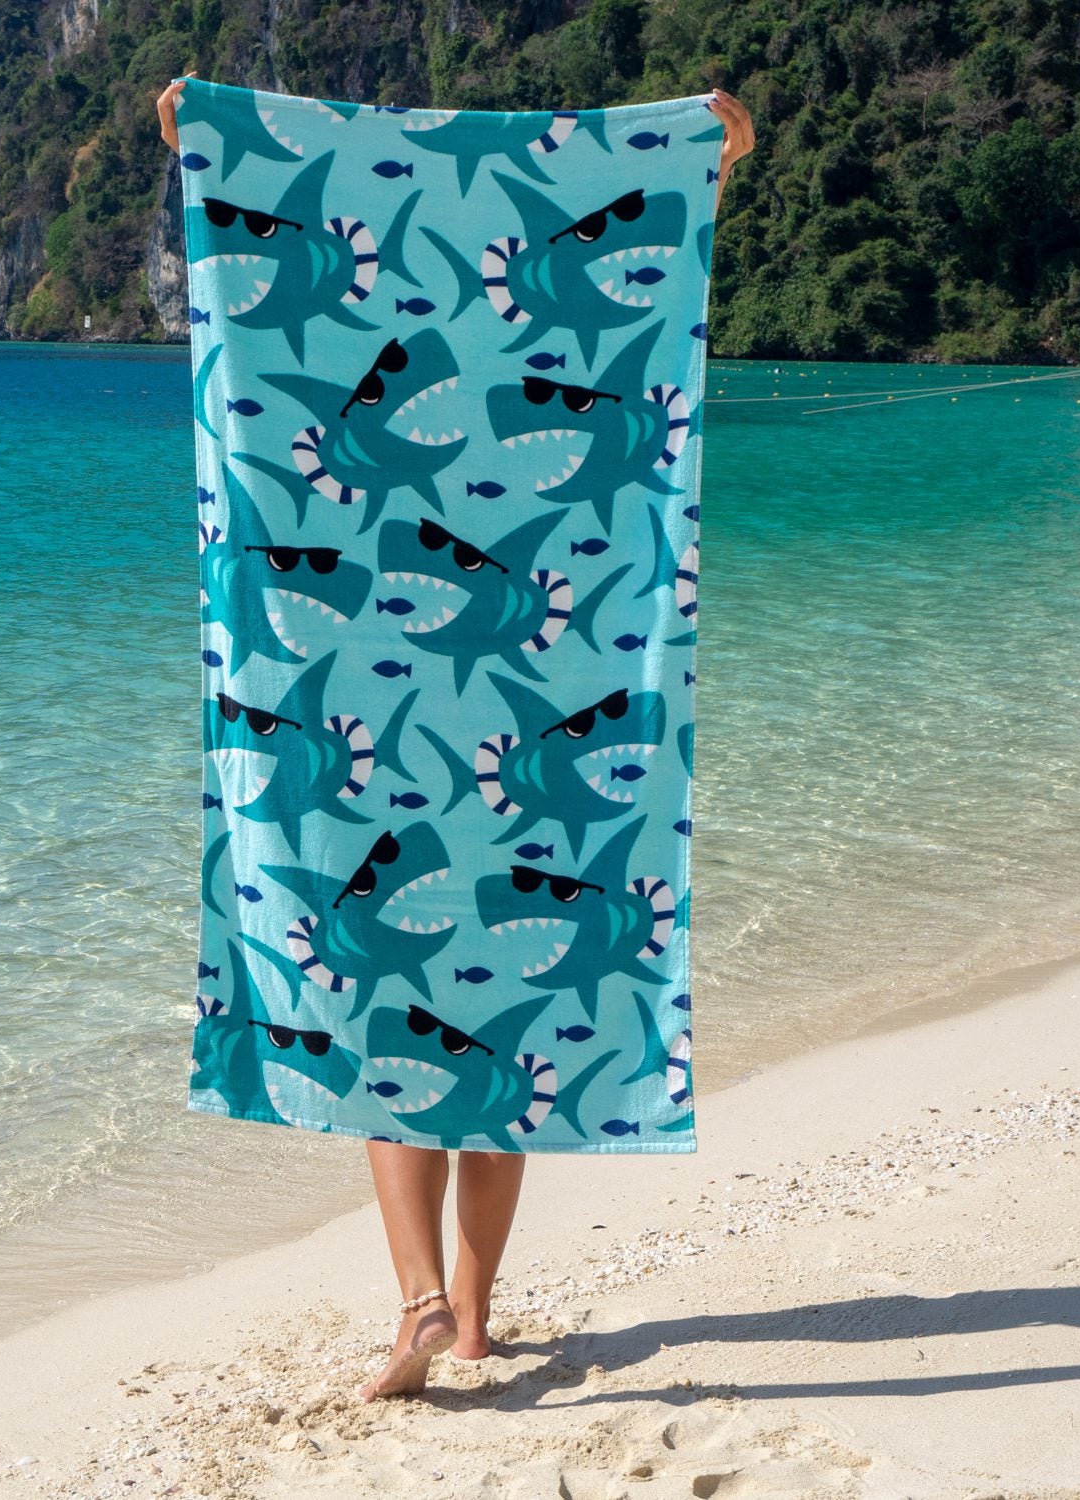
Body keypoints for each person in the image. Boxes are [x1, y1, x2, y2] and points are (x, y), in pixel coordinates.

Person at [157, 75, 754, 1403]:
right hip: (530, 703)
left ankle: (425, 1305)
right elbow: (657, 240)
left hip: (378, 718)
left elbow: (249, 250)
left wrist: (204, 133)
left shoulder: (375, 375)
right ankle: (471, 1321)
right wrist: (706, 148)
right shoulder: (538, 354)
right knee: (499, 1054)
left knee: (389, 1033)